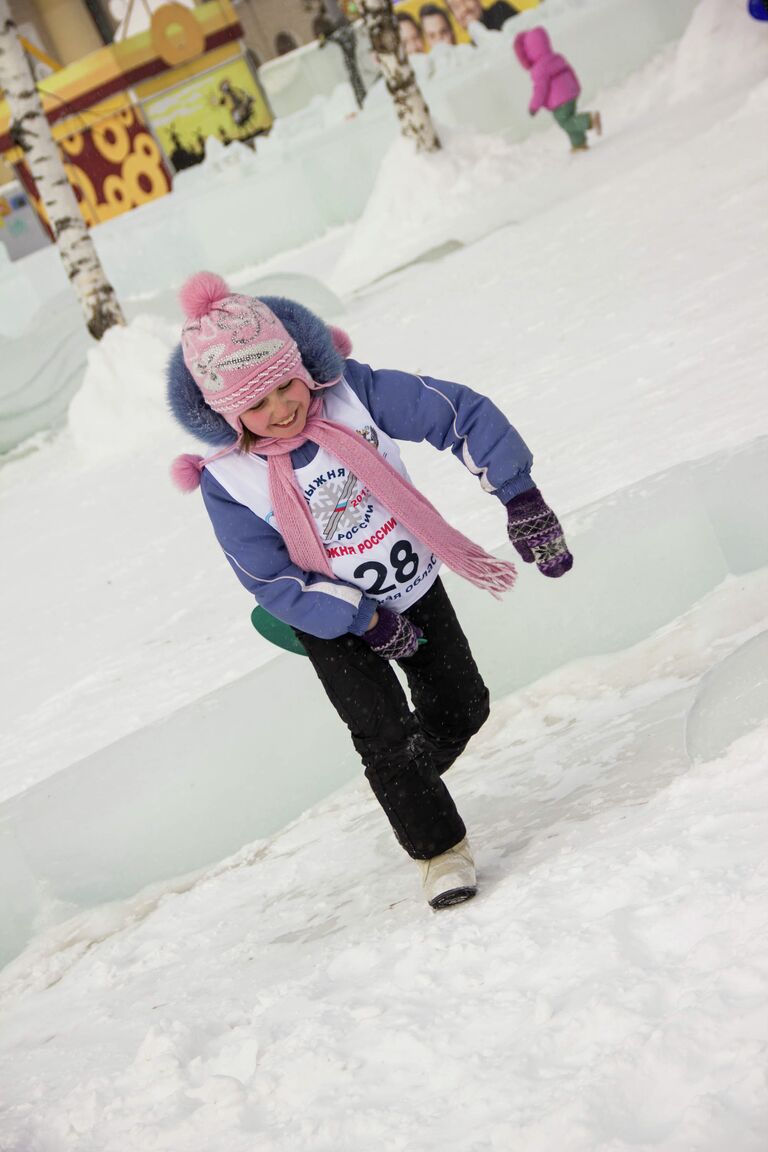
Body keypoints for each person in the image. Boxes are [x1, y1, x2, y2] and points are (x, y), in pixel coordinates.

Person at [168, 273, 573, 910]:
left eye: (285, 385)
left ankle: (409, 776)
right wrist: (361, 618)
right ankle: (440, 852)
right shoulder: (230, 479)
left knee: (462, 706)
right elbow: (266, 574)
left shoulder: (354, 396)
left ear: (303, 365)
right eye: (256, 404)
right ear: (224, 412)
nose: (280, 409)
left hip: (409, 578)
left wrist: (520, 496)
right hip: (328, 614)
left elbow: (457, 412)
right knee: (382, 735)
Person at [514, 26, 602, 152]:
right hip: (571, 93)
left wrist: (534, 107)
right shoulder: (556, 57)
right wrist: (576, 86)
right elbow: (570, 71)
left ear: (528, 51)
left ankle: (589, 120)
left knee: (566, 122)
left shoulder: (538, 69)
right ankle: (579, 144)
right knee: (571, 118)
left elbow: (540, 90)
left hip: (559, 101)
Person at [447, 0, 518, 34]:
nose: (464, 9)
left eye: (466, 0)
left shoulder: (500, 10)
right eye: (456, 7)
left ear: (478, 1)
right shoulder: (470, 51)